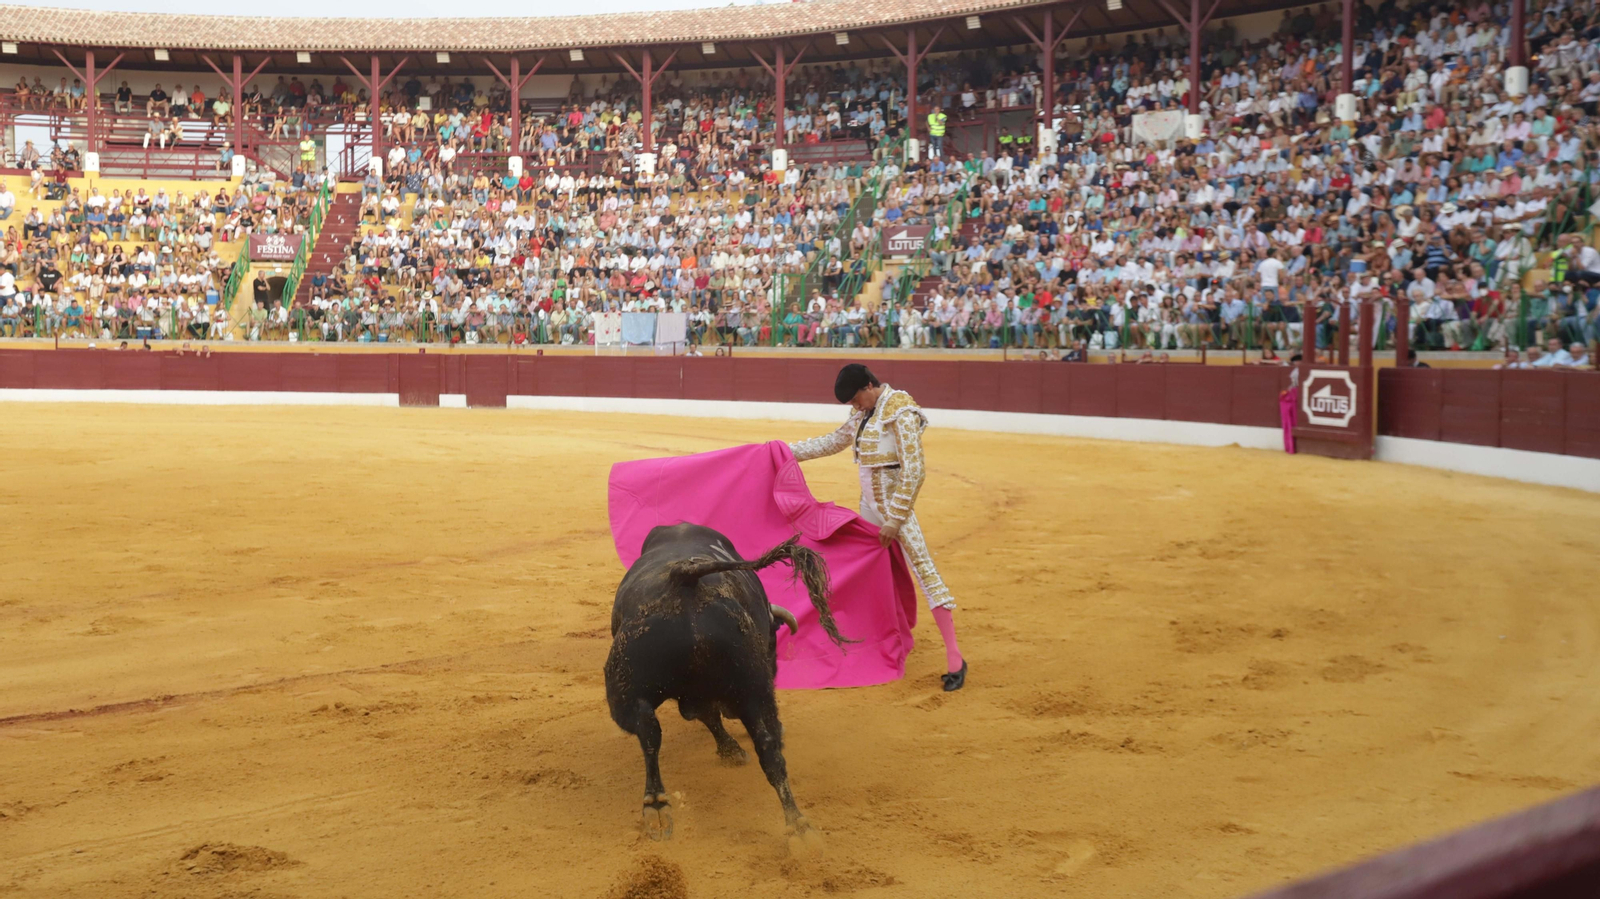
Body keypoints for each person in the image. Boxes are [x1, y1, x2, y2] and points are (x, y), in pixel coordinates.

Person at [788, 364, 967, 691]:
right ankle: (881, 640)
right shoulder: (865, 413)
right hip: (869, 506)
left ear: (869, 386)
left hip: (894, 508)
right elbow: (833, 441)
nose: (855, 406)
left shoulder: (900, 409)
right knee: (868, 571)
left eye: (856, 399)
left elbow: (915, 471)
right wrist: (785, 453)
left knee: (924, 569)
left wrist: (896, 518)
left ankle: (956, 658)